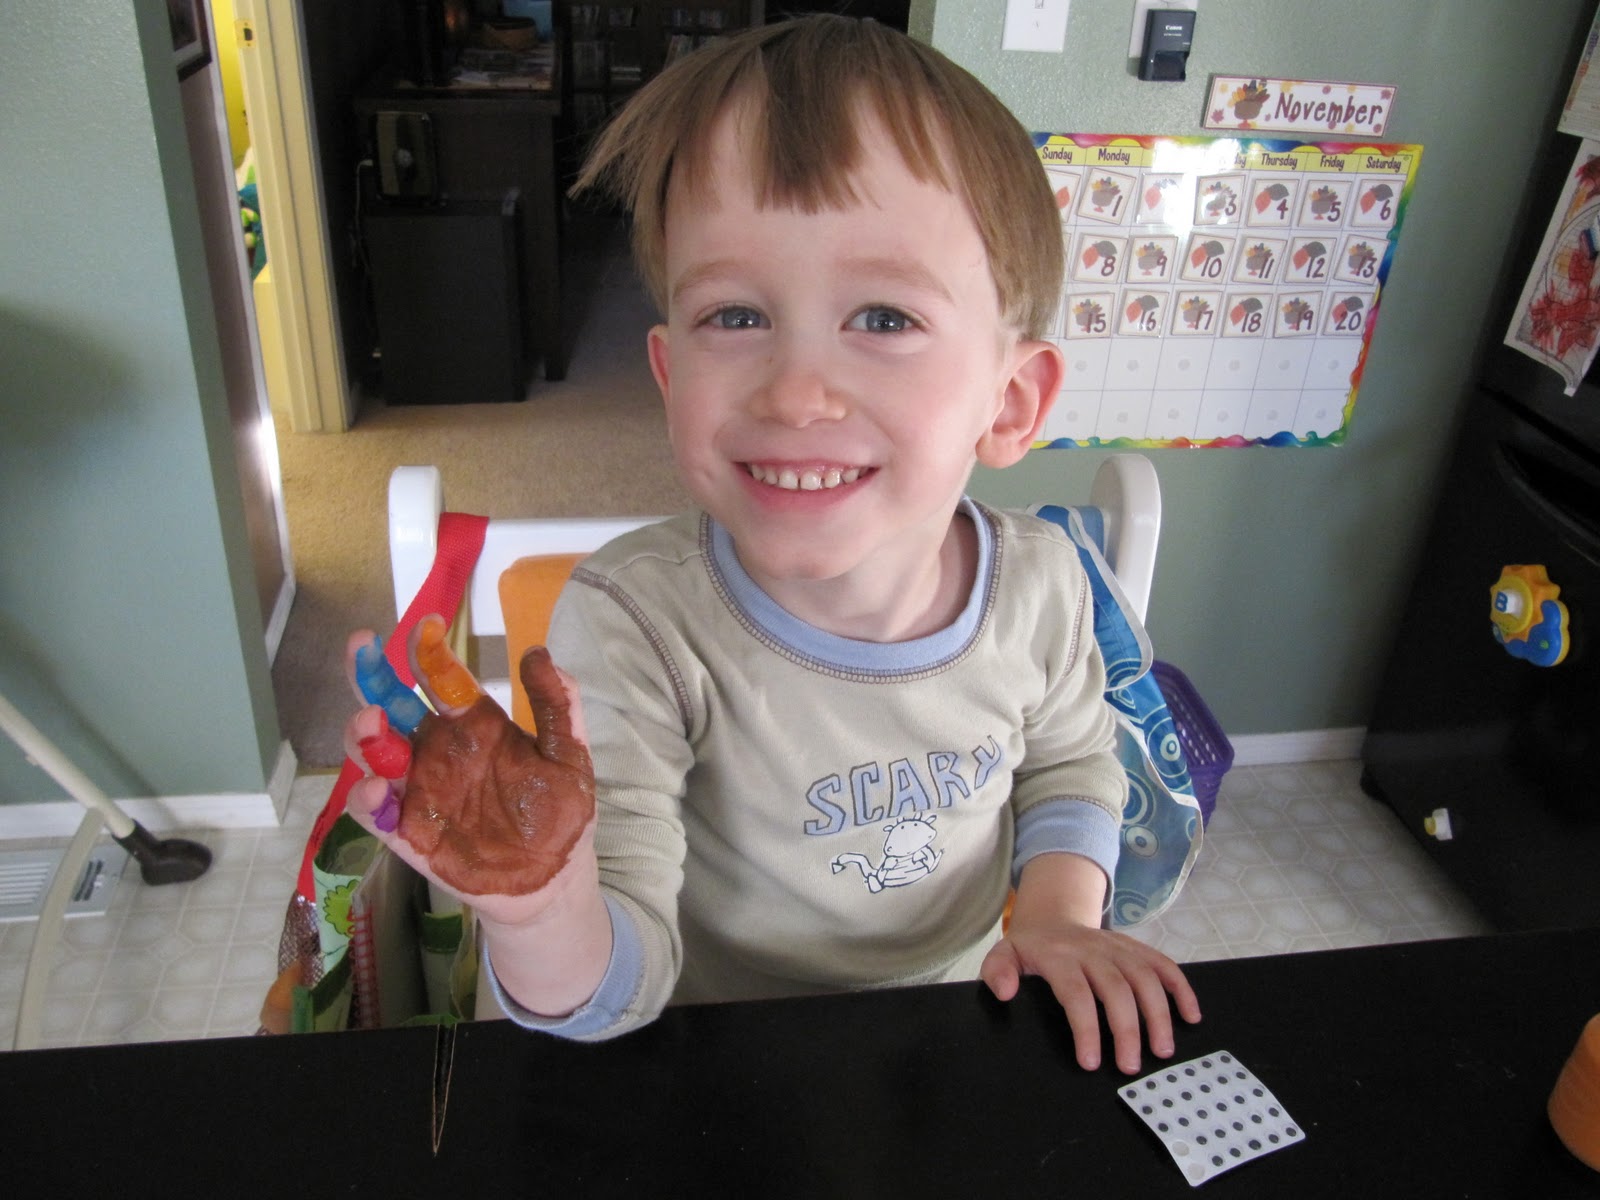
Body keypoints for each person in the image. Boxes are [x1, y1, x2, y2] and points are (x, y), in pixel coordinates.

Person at [342, 14, 1199, 1075]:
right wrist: (539, 909)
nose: (794, 393)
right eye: (735, 316)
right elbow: (611, 991)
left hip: (959, 1036)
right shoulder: (633, 626)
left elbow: (1071, 762)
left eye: (883, 318)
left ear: (1010, 400)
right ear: (669, 380)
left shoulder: (1047, 585)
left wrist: (1062, 917)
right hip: (717, 1058)